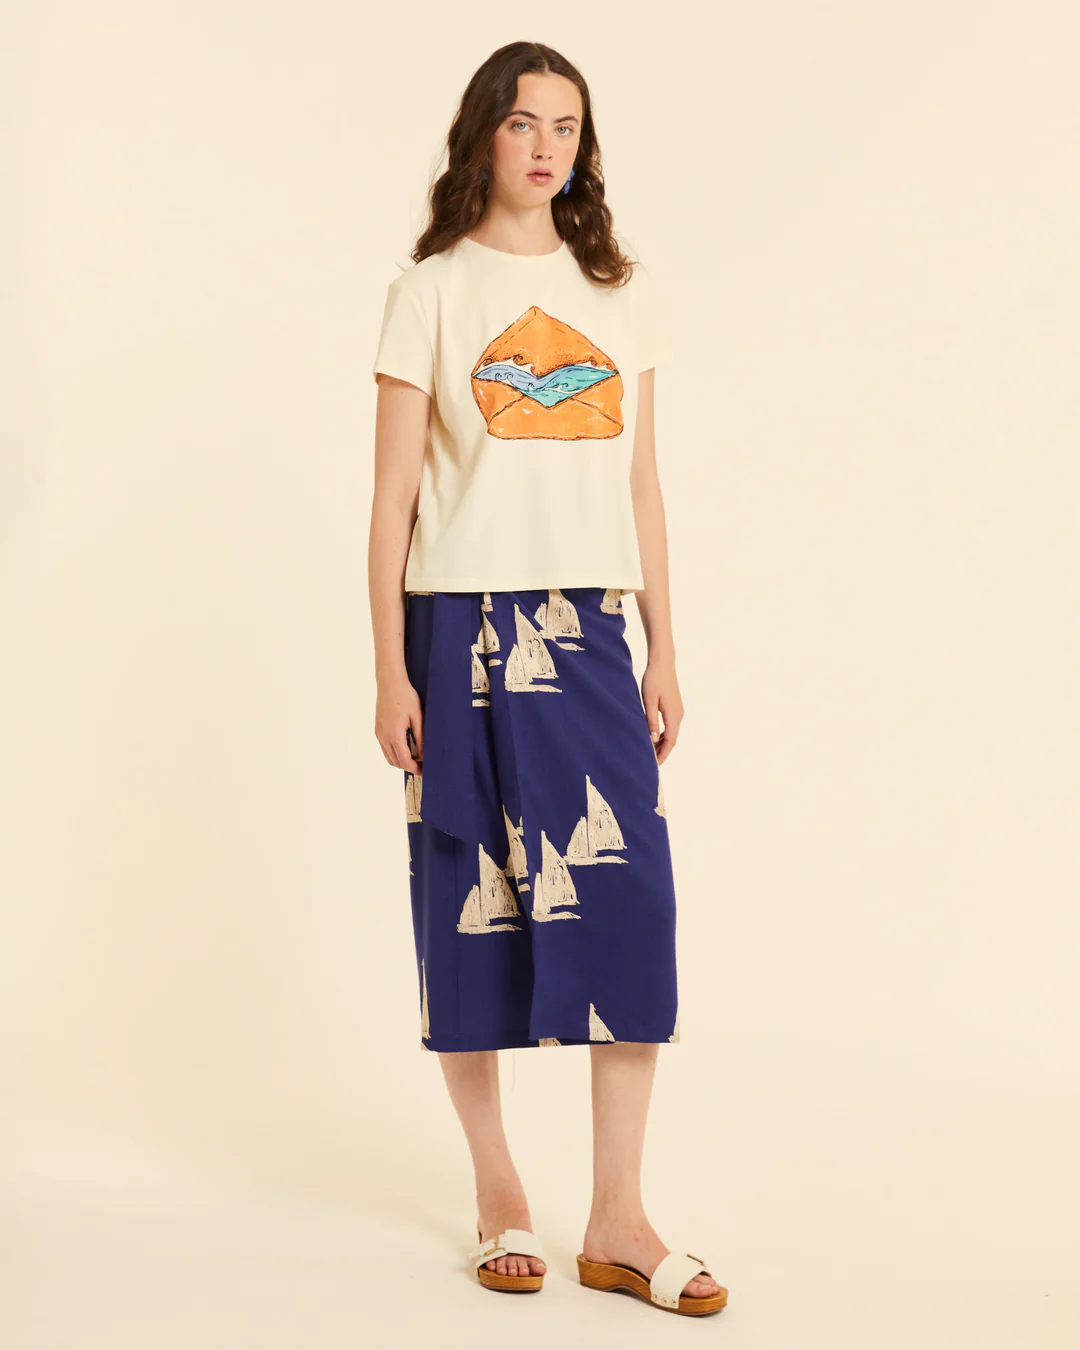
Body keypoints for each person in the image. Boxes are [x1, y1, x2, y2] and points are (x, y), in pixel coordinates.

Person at [368, 41, 727, 1317]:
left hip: (589, 624)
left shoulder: (618, 295)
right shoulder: (430, 293)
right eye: (523, 122)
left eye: (565, 126)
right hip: (454, 623)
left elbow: (642, 483)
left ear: (584, 147)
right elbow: (393, 498)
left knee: (627, 903)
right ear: (484, 135)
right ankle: (498, 1192)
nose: (544, 146)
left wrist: (664, 646)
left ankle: (618, 1217)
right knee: (466, 900)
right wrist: (386, 670)